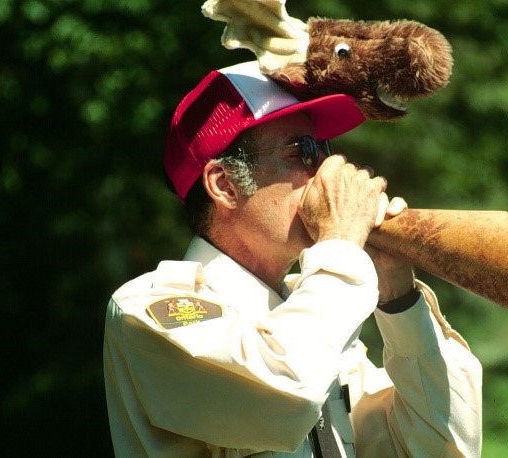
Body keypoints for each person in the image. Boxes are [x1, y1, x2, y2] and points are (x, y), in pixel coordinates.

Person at [103, 61, 482, 457]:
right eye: (301, 152)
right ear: (225, 185)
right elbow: (286, 394)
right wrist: (340, 244)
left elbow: (441, 447)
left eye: (323, 150)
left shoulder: (315, 306)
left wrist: (397, 294)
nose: (326, 174)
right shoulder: (144, 311)